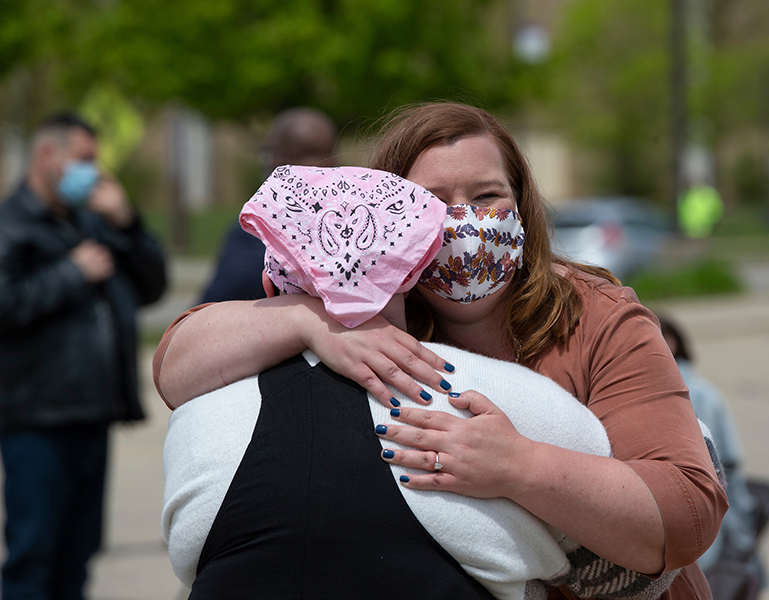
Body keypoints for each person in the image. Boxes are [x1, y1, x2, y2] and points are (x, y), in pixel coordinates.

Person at [153, 102, 727, 599]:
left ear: (522, 206)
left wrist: (518, 467)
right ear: (388, 221)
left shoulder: (597, 316)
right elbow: (176, 365)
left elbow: (685, 515)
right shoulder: (375, 312)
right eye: (433, 203)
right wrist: (308, 321)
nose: (463, 224)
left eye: (487, 196)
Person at [0, 113, 167, 600]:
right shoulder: (12, 224)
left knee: (78, 555)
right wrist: (71, 273)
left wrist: (128, 221)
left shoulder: (91, 223)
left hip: (93, 412)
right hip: (36, 416)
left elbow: (151, 286)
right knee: (34, 555)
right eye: (84, 161)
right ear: (47, 156)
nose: (92, 174)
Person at [658, 317, 768, 590]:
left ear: (670, 342)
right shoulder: (692, 388)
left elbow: (721, 465)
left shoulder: (692, 393)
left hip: (708, 530)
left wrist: (742, 534)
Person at [198, 107, 338, 303]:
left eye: (269, 152)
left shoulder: (258, 227)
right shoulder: (360, 220)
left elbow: (211, 306)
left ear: (277, 158)